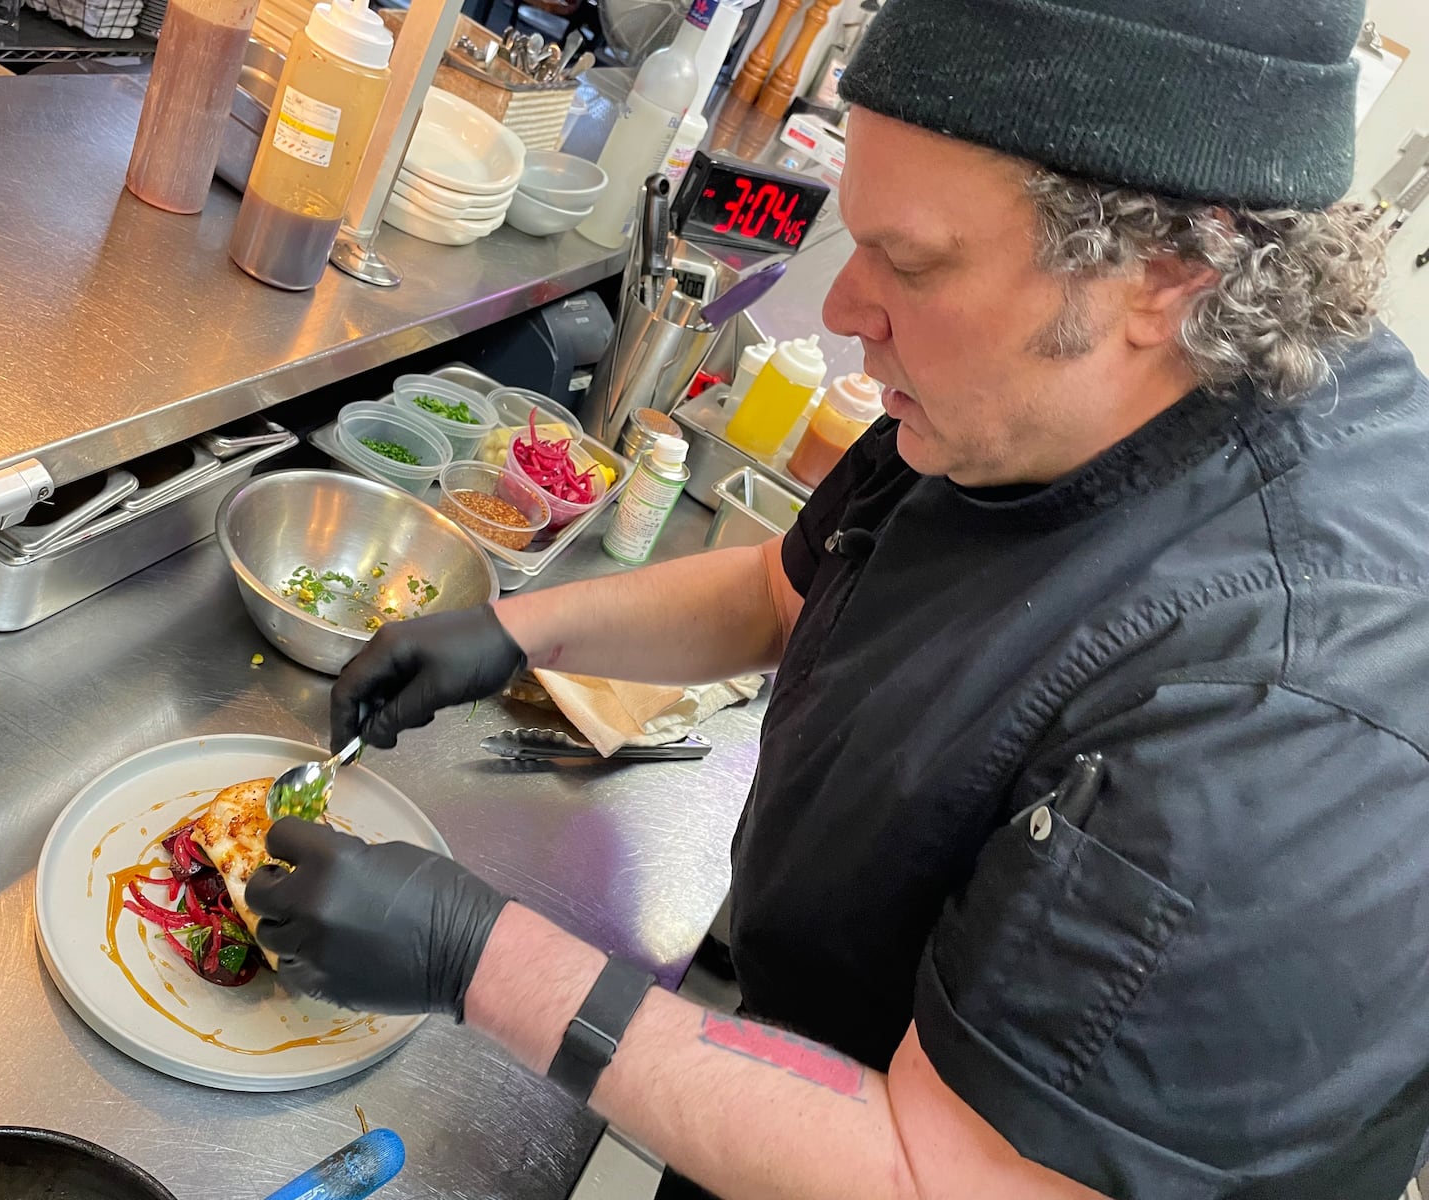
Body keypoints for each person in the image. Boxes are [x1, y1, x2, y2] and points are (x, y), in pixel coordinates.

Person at [247, 0, 1429, 1195]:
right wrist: (514, 632)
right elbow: (790, 585)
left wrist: (474, 955)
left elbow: (943, 1175)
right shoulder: (1027, 397)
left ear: (1166, 275)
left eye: (909, 263)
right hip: (795, 1083)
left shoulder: (1289, 704)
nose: (846, 309)